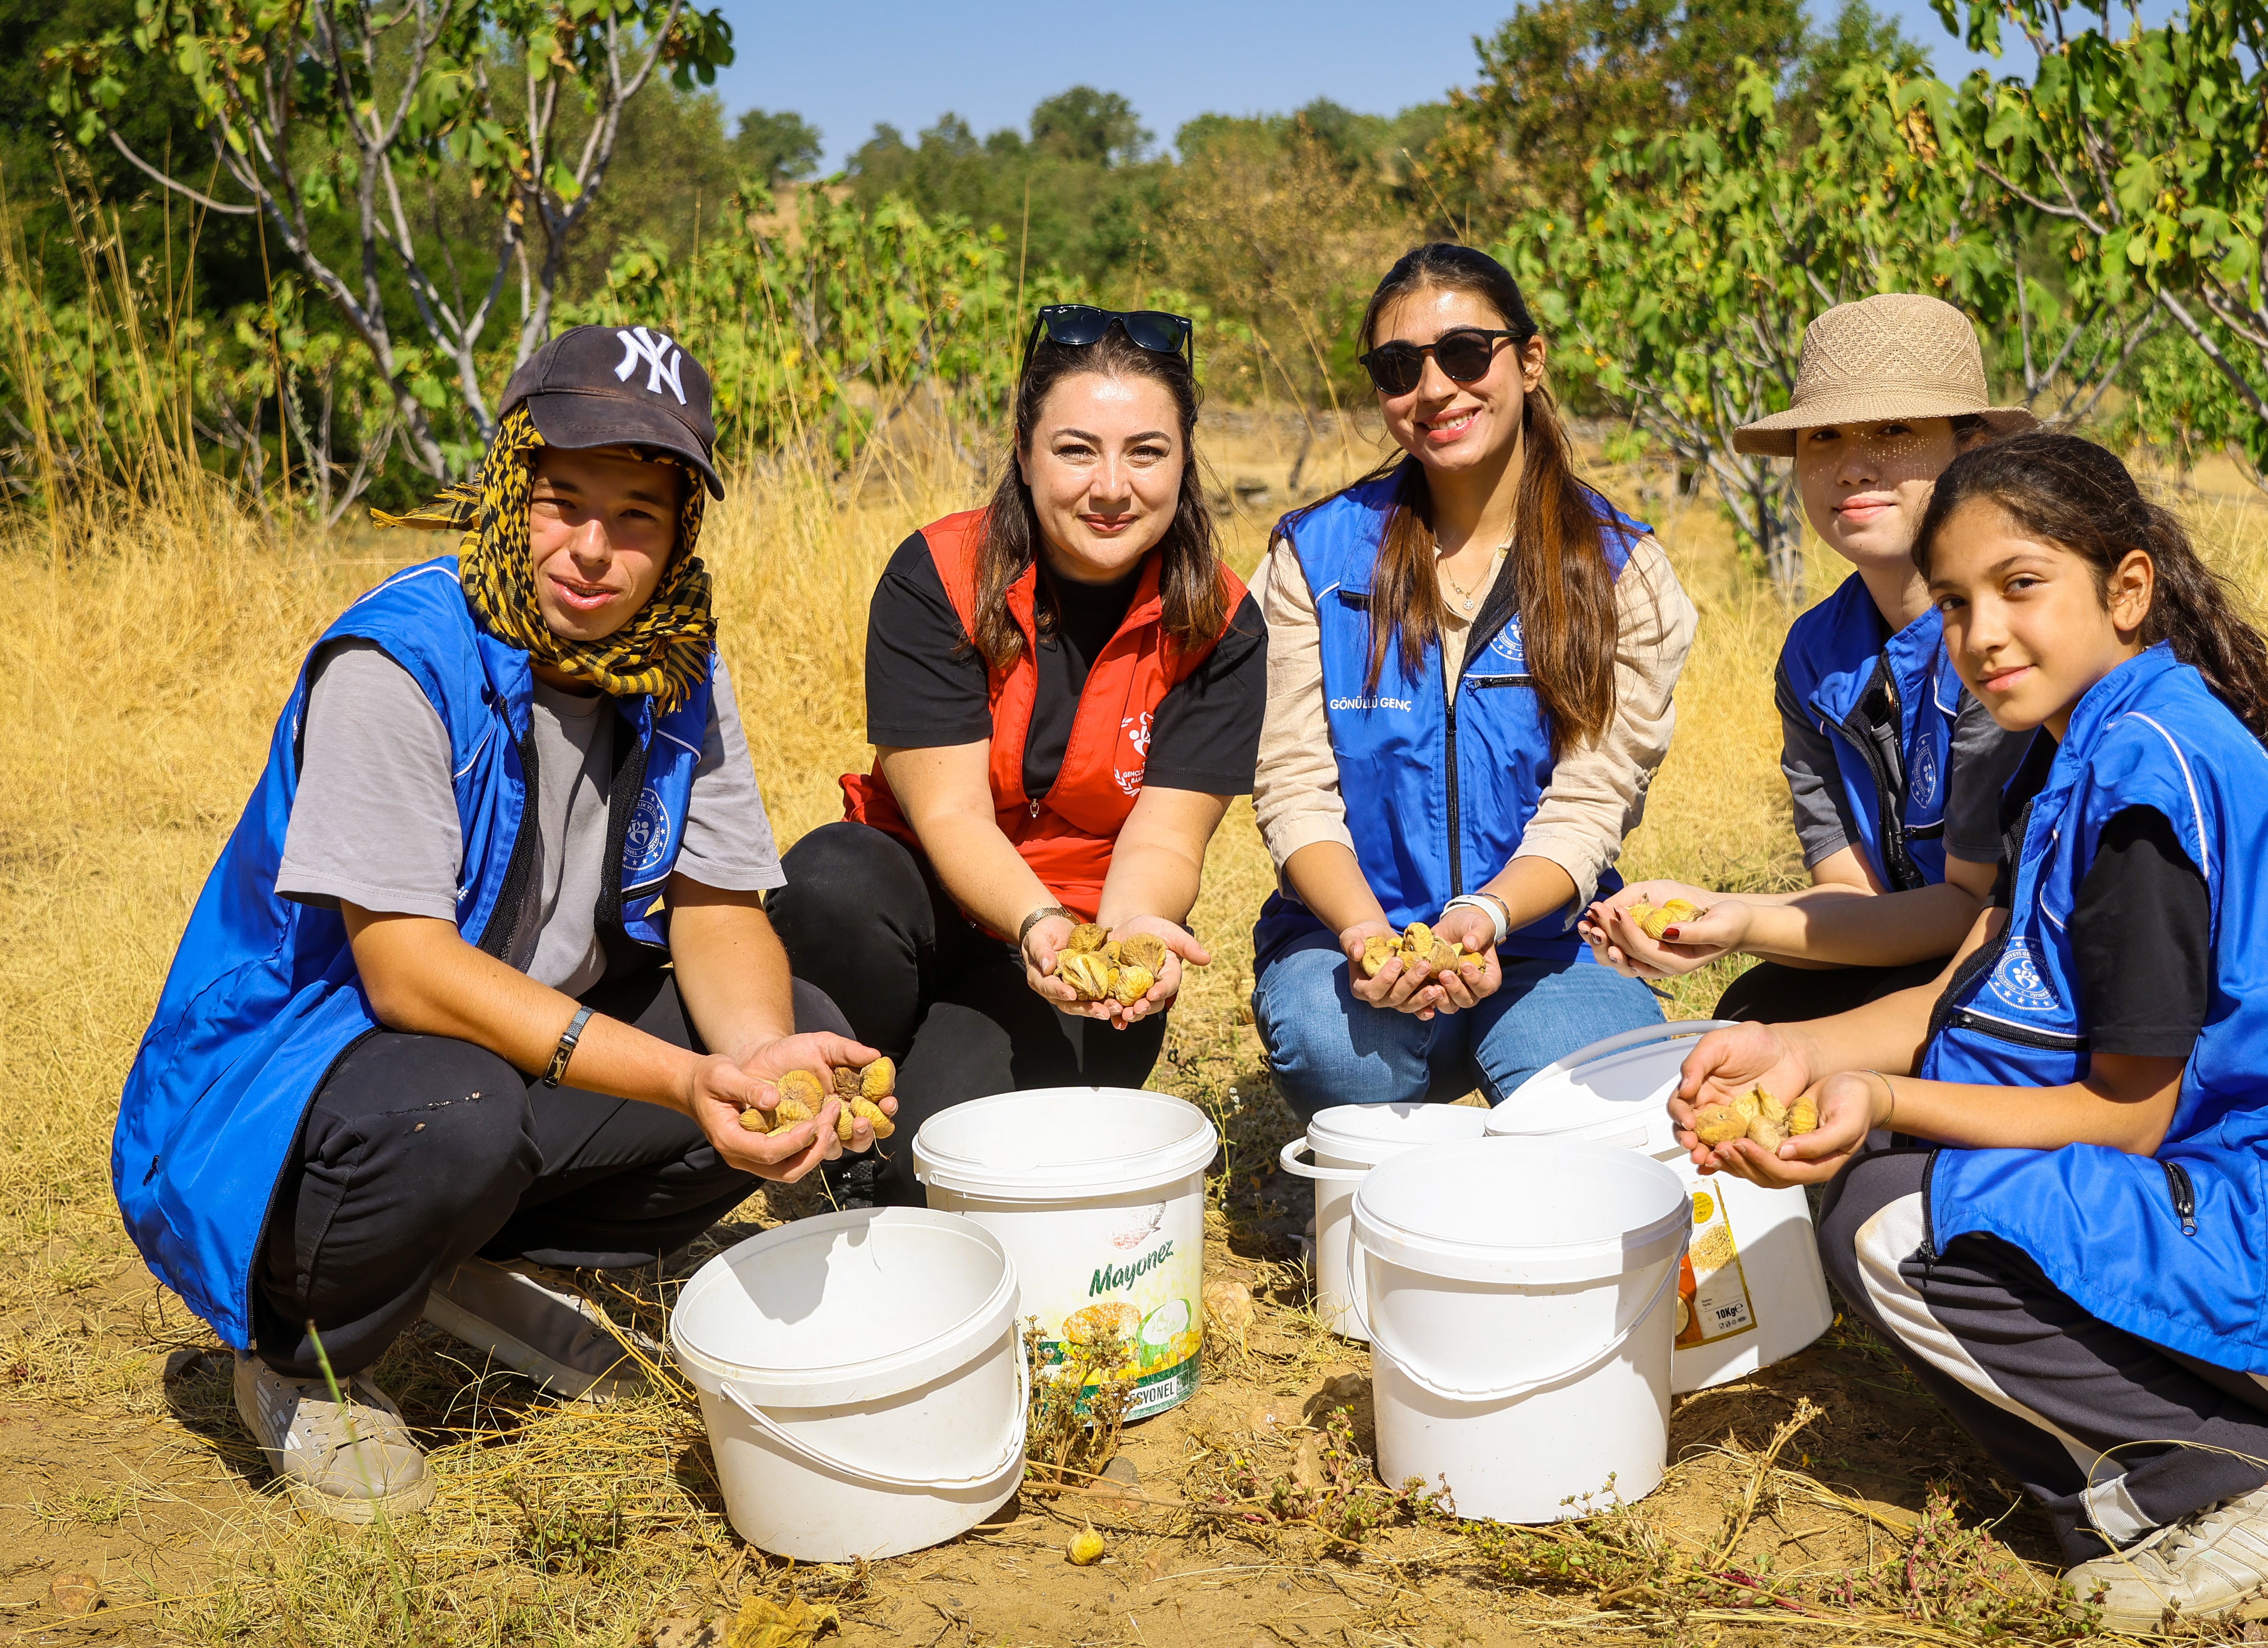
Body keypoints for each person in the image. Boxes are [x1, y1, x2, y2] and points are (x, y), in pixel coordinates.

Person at [1669, 435, 2268, 1630]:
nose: (1984, 635)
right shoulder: (2097, 740)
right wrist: (1806, 1056)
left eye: (2022, 587)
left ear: (2126, 590)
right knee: (1877, 1156)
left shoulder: (2135, 794)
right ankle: (2219, 1439)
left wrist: (1885, 1103)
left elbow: (2128, 1115)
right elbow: (1966, 1000)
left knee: (1891, 1222)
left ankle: (2265, 1490)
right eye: (1958, 604)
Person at [114, 325, 888, 1523]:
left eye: (638, 517)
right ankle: (302, 1356)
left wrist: (746, 1063)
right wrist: (684, 1080)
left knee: (795, 1033)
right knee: (454, 1117)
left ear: (682, 533)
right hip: (300, 1078)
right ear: (504, 487)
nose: (593, 550)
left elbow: (717, 901)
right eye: (560, 501)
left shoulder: (678, 661)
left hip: (505, 1045)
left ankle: (471, 1264)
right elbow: (408, 974)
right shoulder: (399, 659)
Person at [770, 306, 1260, 1201]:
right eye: (1077, 450)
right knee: (831, 882)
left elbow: (1165, 839)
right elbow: (950, 811)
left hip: (1080, 937)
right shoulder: (939, 573)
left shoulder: (1220, 621)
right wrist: (1038, 923)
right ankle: (832, 1101)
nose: (1111, 485)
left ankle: (897, 1133)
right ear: (1026, 454)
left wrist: (1125, 939)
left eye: (1146, 452)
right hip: (927, 899)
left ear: (1185, 461)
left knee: (932, 1168)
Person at [1249, 243, 1698, 1116]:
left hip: (1540, 944)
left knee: (1601, 1108)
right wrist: (1366, 935)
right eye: (1397, 367)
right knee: (1338, 1052)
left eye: (1465, 353)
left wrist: (1489, 915)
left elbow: (1592, 802)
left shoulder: (1624, 569)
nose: (1435, 389)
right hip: (1349, 936)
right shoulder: (1314, 557)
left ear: (1529, 361)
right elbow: (1292, 787)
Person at [1579, 294, 2037, 1022]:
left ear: (1971, 447)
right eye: (1823, 436)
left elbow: (1971, 908)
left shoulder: (2006, 635)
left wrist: (1747, 919)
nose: (1854, 466)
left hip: (2028, 963)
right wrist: (1713, 918)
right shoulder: (1815, 656)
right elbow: (1851, 898)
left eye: (1894, 430)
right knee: (1757, 1006)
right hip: (1921, 949)